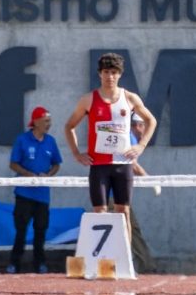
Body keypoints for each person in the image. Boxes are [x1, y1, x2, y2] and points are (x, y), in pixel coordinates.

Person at [64, 52, 157, 241]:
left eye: (114, 72)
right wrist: (76, 153)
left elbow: (151, 121)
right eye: (106, 72)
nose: (110, 77)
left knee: (124, 212)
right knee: (100, 212)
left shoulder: (130, 98)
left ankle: (126, 256)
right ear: (100, 74)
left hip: (123, 165)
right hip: (99, 166)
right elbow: (69, 126)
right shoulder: (88, 99)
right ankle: (102, 255)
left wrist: (141, 146)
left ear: (120, 74)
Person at [7, 106, 62, 274]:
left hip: (42, 195)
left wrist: (48, 175)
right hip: (24, 194)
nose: (49, 124)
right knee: (21, 231)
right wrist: (27, 174)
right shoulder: (22, 140)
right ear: (36, 122)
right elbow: (13, 164)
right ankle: (14, 263)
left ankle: (40, 264)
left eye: (49, 121)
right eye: (46, 121)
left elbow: (56, 164)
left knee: (41, 231)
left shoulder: (50, 141)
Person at [127, 112, 158, 273]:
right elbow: (133, 165)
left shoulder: (127, 137)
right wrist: (150, 181)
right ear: (138, 126)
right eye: (144, 126)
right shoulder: (130, 138)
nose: (145, 131)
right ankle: (147, 267)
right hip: (115, 196)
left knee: (131, 230)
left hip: (116, 195)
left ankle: (144, 266)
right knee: (131, 230)